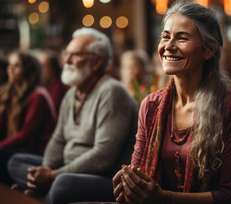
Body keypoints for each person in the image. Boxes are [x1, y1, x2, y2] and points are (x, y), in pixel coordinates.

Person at [113, 0, 231, 204]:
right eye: (165, 36)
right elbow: (139, 175)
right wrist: (129, 185)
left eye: (181, 38)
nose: (169, 46)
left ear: (209, 50)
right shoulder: (151, 106)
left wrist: (163, 198)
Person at [7, 27, 138, 203]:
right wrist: (46, 169)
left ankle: (40, 195)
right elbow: (58, 139)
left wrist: (53, 175)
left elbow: (103, 157)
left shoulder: (112, 92)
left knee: (63, 184)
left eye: (74, 55)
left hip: (104, 178)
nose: (66, 61)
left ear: (97, 61)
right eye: (66, 54)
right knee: (15, 161)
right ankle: (42, 190)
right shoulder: (71, 94)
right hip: (66, 170)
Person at [0, 50, 57, 185]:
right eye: (9, 65)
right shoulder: (8, 93)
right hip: (16, 149)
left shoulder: (38, 95)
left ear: (28, 70)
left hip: (34, 153)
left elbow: (25, 136)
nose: (10, 69)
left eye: (16, 66)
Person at [36, 49, 68, 114]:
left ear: (52, 68)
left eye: (43, 66)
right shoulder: (45, 86)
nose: (40, 70)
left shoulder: (58, 89)